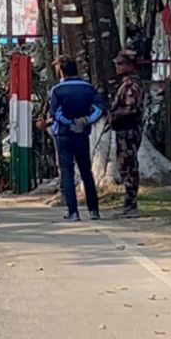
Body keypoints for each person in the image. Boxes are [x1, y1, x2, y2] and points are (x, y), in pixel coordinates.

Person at [48, 56, 104, 221]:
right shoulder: (88, 88)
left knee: (67, 172)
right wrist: (87, 120)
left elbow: (56, 113)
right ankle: (94, 210)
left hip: (64, 134)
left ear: (61, 71)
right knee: (86, 170)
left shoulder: (57, 90)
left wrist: (70, 122)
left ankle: (73, 211)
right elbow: (99, 109)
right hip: (82, 134)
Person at [109, 50, 143, 219]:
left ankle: (131, 205)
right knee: (125, 167)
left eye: (121, 64)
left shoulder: (131, 85)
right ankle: (128, 204)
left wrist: (113, 115)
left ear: (130, 65)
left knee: (129, 167)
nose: (118, 67)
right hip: (123, 130)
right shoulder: (126, 83)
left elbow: (131, 108)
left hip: (129, 130)